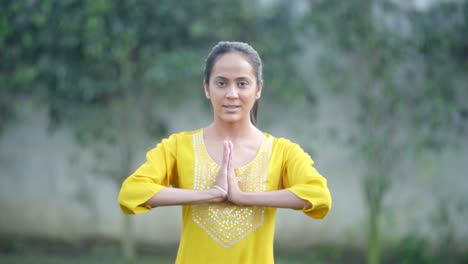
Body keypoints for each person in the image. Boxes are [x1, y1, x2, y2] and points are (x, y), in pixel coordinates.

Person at [118, 41, 332, 264]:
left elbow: (319, 196)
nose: (232, 94)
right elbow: (131, 193)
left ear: (258, 89)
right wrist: (212, 193)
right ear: (206, 88)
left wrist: (244, 197)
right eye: (221, 83)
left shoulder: (283, 152)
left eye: (242, 83)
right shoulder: (178, 147)